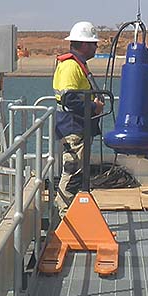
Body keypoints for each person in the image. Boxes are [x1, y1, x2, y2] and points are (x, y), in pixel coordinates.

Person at [52, 21, 104, 214]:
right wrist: (94, 107)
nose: (96, 47)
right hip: (73, 126)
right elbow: (70, 99)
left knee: (78, 169)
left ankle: (70, 211)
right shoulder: (71, 67)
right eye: (93, 44)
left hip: (77, 125)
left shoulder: (76, 64)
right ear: (84, 44)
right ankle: (64, 213)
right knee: (73, 170)